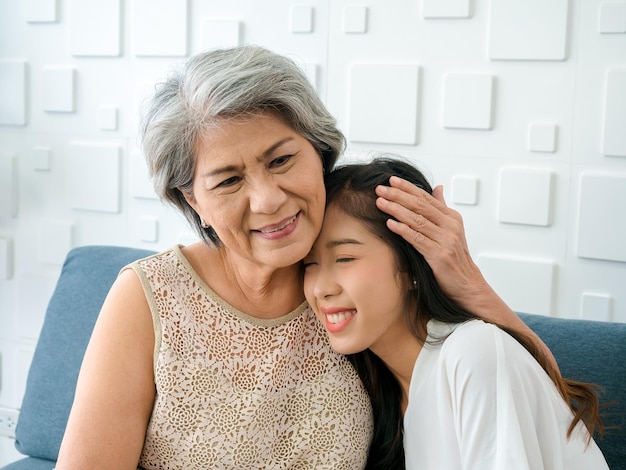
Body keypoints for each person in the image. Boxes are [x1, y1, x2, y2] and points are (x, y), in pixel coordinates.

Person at [55, 46, 554, 469]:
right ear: (193, 201)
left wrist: (468, 284)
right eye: (229, 180)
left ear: (320, 152)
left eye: (281, 160)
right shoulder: (149, 296)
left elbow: (541, 412)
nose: (267, 199)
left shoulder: (353, 294)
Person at [303, 156, 609, 470]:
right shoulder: (378, 393)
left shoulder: (472, 352)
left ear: (411, 265)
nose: (320, 288)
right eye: (309, 263)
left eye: (344, 257)